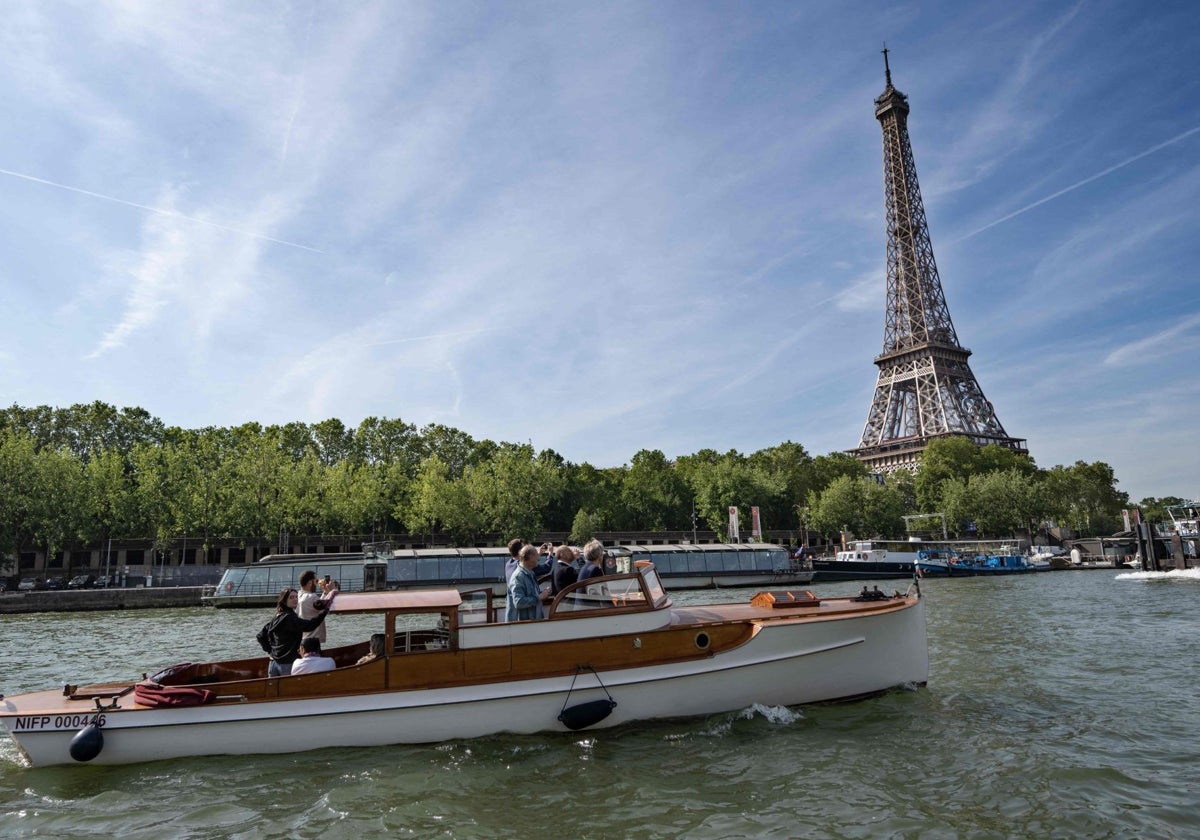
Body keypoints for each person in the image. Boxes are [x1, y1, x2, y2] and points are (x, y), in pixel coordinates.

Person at [264, 587, 330, 677]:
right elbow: (309, 626)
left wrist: (271, 652)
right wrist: (325, 611)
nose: (295, 599)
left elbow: (261, 636)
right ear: (284, 600)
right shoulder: (289, 618)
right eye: (291, 597)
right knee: (288, 690)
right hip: (287, 663)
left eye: (296, 597)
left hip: (273, 663)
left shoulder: (277, 616)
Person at [505, 544, 545, 622]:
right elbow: (519, 602)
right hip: (523, 626)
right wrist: (539, 597)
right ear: (530, 557)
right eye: (536, 556)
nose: (538, 558)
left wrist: (542, 594)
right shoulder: (518, 576)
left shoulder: (530, 573)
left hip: (532, 622)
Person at [297, 570, 335, 643]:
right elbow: (326, 606)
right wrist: (331, 590)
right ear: (309, 582)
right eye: (316, 581)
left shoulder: (299, 595)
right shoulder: (312, 597)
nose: (317, 584)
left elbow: (317, 605)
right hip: (313, 638)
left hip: (303, 638)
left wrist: (325, 591)